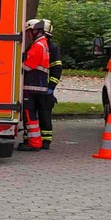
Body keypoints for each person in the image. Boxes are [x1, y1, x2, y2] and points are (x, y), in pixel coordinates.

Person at [19, 19, 52, 151]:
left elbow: (28, 65)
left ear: (35, 30)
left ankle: (34, 143)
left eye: (28, 32)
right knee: (32, 115)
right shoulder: (43, 43)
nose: (28, 35)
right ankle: (34, 141)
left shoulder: (38, 45)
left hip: (32, 85)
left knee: (30, 115)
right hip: (38, 86)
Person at [43, 19, 62, 149]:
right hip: (37, 87)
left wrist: (51, 87)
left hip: (45, 87)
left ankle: (46, 140)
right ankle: (36, 139)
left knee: (45, 115)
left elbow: (56, 69)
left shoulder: (52, 47)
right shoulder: (35, 45)